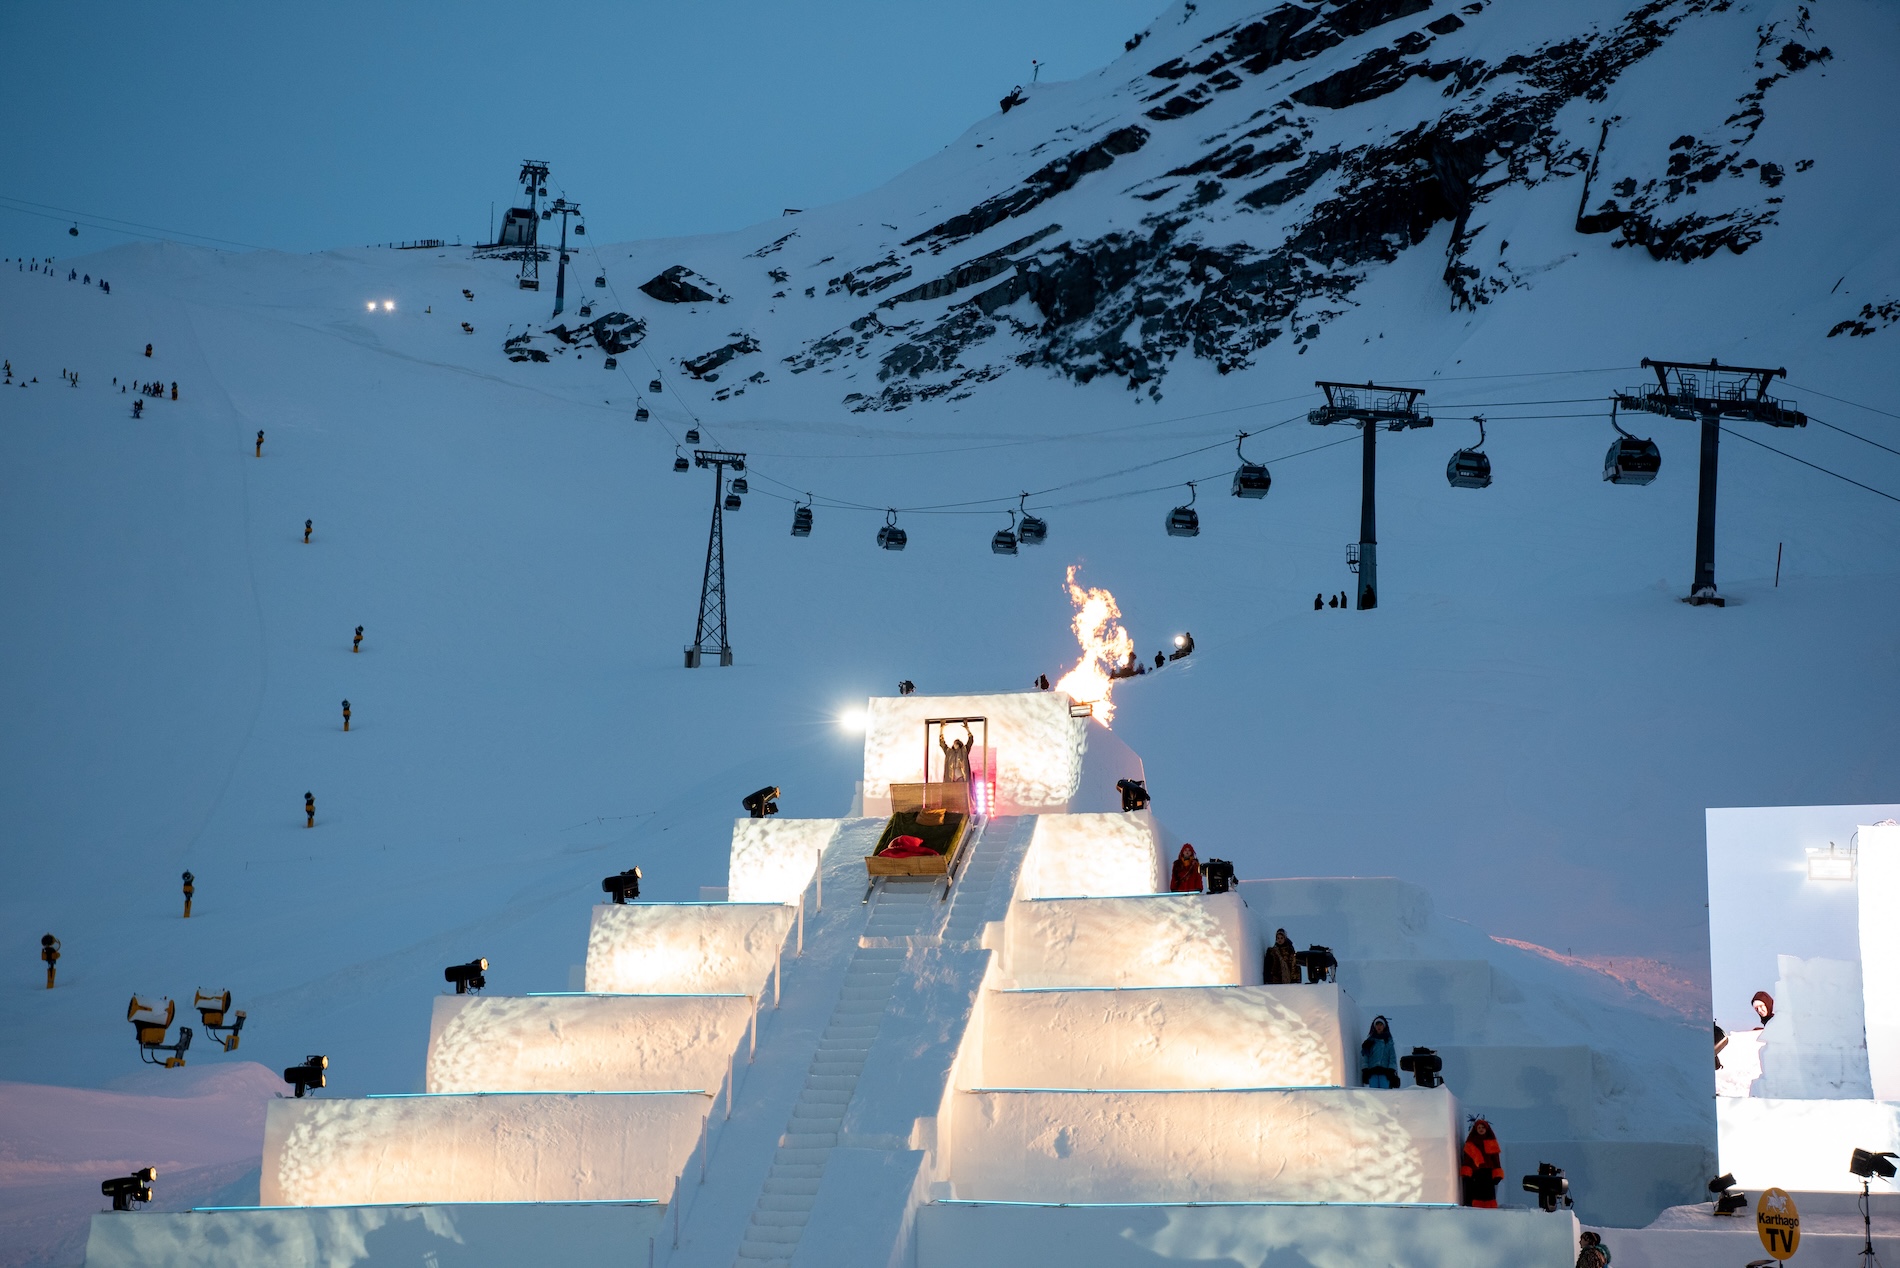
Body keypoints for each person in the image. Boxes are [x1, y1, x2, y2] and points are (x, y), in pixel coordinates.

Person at [1460, 1118, 1504, 1207]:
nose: (1481, 1129)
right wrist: (1467, 1173)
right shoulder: (1471, 1142)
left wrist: (1497, 1173)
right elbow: (1468, 1159)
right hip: (1476, 1173)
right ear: (1476, 1129)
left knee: (1489, 1193)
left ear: (1486, 1129)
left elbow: (1496, 1159)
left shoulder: (1491, 1142)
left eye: (1483, 1127)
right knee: (1477, 1193)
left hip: (1488, 1172)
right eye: (1479, 1127)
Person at [1361, 1016, 1399, 1088]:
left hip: (1385, 1072)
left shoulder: (1388, 1041)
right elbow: (1365, 1056)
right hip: (1372, 1071)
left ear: (1384, 1026)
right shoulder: (1369, 1041)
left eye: (1381, 1024)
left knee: (1384, 1093)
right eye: (1377, 1024)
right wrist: (1365, 1069)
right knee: (1374, 1093)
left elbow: (1392, 1057)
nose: (1379, 1027)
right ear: (1374, 1026)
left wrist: (1391, 1070)